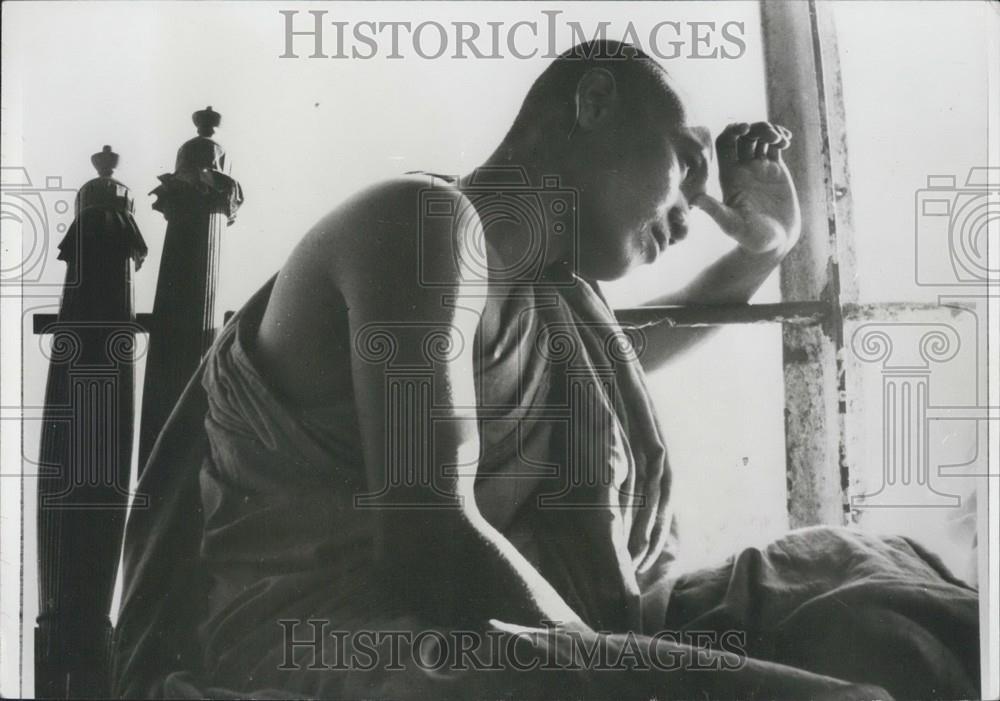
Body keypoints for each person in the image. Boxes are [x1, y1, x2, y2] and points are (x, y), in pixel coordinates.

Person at [113, 41, 978, 700]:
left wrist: (767, 250)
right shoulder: (420, 227)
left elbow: (605, 373)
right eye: (683, 164)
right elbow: (429, 538)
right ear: (594, 100)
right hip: (336, 639)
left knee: (882, 591)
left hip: (520, 630)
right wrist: (631, 671)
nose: (691, 209)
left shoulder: (542, 304)